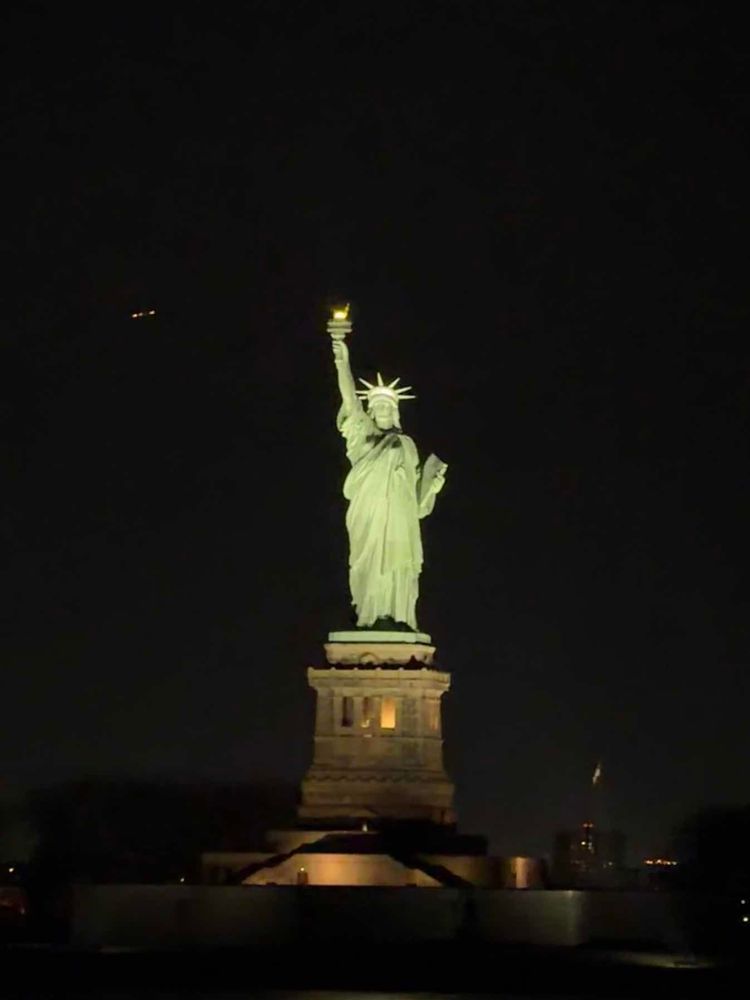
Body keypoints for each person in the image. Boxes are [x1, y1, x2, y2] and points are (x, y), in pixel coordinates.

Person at [332, 336, 446, 631]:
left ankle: (399, 616)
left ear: (394, 411)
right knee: (369, 563)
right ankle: (369, 615)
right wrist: (342, 362)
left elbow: (416, 500)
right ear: (371, 412)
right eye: (377, 407)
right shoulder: (364, 437)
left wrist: (431, 488)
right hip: (369, 513)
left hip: (400, 517)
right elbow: (350, 402)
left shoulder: (407, 445)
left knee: (398, 563)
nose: (383, 410)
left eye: (387, 407)